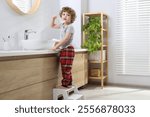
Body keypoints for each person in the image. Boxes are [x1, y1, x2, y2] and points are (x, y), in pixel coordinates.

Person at [50, 7, 76, 87]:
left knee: (66, 68)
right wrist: (53, 19)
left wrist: (56, 46)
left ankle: (65, 84)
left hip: (68, 49)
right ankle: (69, 83)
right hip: (64, 49)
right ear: (61, 15)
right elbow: (52, 26)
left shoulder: (70, 27)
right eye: (63, 14)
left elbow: (66, 39)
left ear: (71, 18)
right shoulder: (62, 25)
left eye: (68, 15)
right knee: (65, 68)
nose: (65, 16)